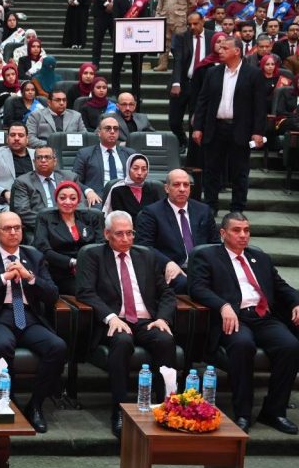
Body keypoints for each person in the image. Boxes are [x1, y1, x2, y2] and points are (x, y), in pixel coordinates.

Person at [189, 213, 299, 434]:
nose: (243, 235)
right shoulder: (208, 256)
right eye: (237, 230)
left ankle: (274, 411)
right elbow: (197, 288)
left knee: (290, 346)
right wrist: (222, 305)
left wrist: (296, 302)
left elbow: (281, 287)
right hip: (234, 318)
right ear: (223, 233)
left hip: (263, 317)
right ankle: (243, 413)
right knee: (242, 345)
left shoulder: (260, 258)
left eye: (246, 230)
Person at [74, 210, 178, 439]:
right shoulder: (93, 255)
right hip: (114, 321)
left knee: (165, 339)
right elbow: (85, 292)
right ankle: (119, 410)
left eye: (130, 233)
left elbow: (167, 293)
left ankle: (165, 407)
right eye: (119, 234)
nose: (126, 239)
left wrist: (162, 318)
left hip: (146, 320)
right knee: (122, 342)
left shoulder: (146, 255)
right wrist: (110, 317)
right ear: (107, 234)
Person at [0, 211, 66, 433]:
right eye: (7, 228)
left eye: (17, 228)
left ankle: (35, 405)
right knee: (2, 345)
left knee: (57, 347)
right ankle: (6, 400)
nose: (13, 232)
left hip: (28, 317)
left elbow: (52, 295)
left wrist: (30, 277)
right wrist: (3, 278)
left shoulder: (35, 256)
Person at [193, 36, 266, 214]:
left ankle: (237, 209)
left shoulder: (253, 74)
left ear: (237, 51)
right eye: (220, 47)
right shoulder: (213, 72)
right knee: (211, 171)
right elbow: (202, 101)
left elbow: (260, 106)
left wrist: (258, 131)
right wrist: (197, 127)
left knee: (239, 172)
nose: (220, 50)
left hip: (240, 129)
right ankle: (210, 207)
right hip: (215, 127)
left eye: (225, 48)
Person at [135, 168, 217, 292]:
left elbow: (215, 243)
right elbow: (145, 246)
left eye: (186, 185)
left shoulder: (203, 210)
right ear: (167, 188)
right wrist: (167, 263)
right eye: (177, 185)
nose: (182, 189)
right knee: (191, 285)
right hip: (173, 268)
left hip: (202, 268)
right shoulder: (152, 213)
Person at [32, 180, 104, 294]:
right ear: (56, 199)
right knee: (88, 291)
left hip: (91, 269)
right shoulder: (45, 218)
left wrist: (89, 264)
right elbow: (43, 249)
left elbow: (100, 245)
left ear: (78, 200)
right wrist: (72, 262)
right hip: (61, 272)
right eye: (62, 198)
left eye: (73, 198)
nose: (67, 202)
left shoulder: (91, 217)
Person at [10, 145, 81, 241]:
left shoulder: (70, 177)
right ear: (34, 161)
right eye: (39, 157)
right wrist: (51, 225)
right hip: (39, 229)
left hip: (69, 225)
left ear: (55, 161)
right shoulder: (23, 182)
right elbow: (23, 212)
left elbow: (81, 205)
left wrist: (66, 224)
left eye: (47, 157)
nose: (43, 160)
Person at [169, 12, 213, 146]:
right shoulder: (181, 37)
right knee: (174, 121)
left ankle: (193, 150)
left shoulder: (212, 37)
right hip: (183, 82)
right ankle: (183, 142)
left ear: (203, 21)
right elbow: (178, 60)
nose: (192, 27)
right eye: (189, 24)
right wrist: (176, 83)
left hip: (202, 85)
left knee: (195, 121)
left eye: (195, 23)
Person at [72, 115, 136, 204]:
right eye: (108, 128)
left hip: (125, 198)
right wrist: (88, 191)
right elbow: (74, 179)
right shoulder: (85, 154)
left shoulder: (130, 154)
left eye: (115, 129)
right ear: (99, 132)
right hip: (98, 199)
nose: (112, 131)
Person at [153, 0, 195, 73]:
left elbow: (192, 4)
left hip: (179, 21)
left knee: (180, 44)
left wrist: (184, 15)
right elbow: (160, 4)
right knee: (164, 43)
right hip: (165, 19)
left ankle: (180, 66)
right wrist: (158, 16)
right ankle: (163, 64)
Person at [0, 123, 36, 205]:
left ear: (27, 139)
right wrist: (4, 192)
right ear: (7, 138)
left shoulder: (36, 155)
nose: (16, 138)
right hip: (9, 204)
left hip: (34, 202)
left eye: (21, 135)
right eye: (12, 135)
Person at [102, 153, 160, 219]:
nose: (139, 173)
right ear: (128, 169)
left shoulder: (152, 190)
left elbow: (158, 215)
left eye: (144, 169)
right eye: (135, 168)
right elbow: (119, 218)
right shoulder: (117, 191)